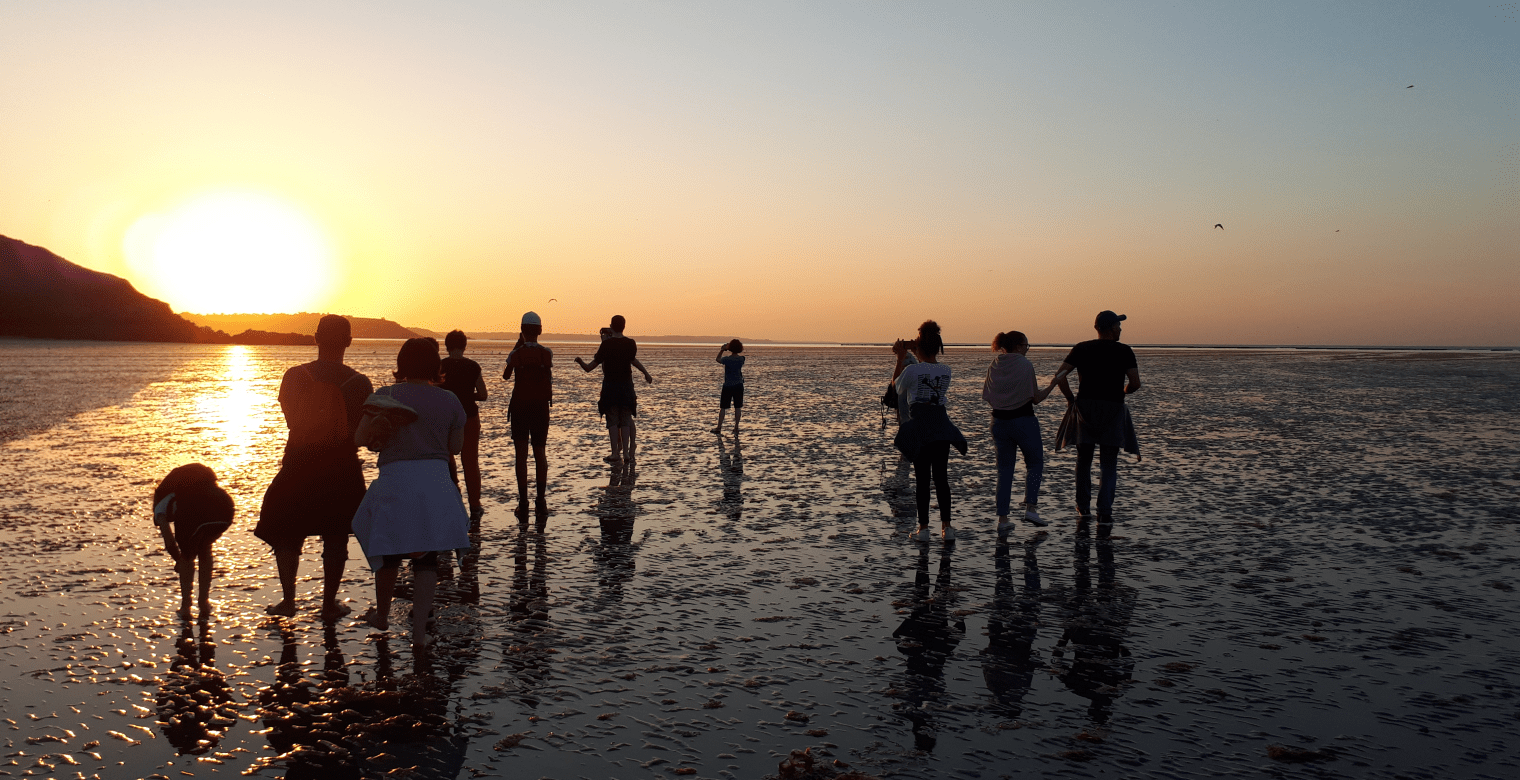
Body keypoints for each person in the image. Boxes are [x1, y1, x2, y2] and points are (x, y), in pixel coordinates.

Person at [351, 337, 472, 653]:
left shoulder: (384, 396)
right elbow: (455, 447)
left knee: (389, 550)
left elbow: (360, 437)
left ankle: (381, 614)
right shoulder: (450, 400)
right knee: (428, 558)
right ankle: (420, 634)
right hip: (435, 482)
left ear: (401, 364)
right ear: (436, 366)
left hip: (396, 480)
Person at [255, 314, 372, 621]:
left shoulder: (294, 376)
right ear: (348, 341)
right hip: (341, 465)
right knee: (336, 536)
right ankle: (328, 603)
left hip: (299, 462)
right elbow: (359, 431)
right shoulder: (360, 383)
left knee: (288, 533)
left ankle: (288, 601)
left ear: (316, 338)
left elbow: (291, 420)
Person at [1055, 310, 1142, 527]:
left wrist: (1070, 399)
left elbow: (1059, 377)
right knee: (1108, 463)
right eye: (1118, 325)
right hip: (1113, 407)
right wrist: (1124, 390)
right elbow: (1135, 383)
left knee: (1084, 460)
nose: (1120, 329)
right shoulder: (1124, 351)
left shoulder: (1082, 347)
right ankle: (1104, 511)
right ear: (1111, 328)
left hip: (1085, 407)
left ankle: (1083, 508)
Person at [892, 320, 967, 543]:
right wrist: (917, 350)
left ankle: (923, 528)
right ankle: (947, 527)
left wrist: (900, 359)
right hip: (941, 425)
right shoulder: (946, 370)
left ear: (919, 347)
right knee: (941, 479)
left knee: (923, 479)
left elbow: (896, 387)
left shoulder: (912, 369)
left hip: (921, 426)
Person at [982, 331, 1064, 534]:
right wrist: (1054, 383)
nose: (1028, 349)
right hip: (1024, 420)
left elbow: (987, 395)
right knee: (1035, 463)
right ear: (1019, 346)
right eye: (1027, 346)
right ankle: (1031, 508)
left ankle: (1003, 519)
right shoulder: (1024, 364)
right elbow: (1036, 398)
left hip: (998, 422)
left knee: (1004, 470)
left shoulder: (995, 364)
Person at [153, 463, 234, 620]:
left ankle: (186, 607)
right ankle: (204, 603)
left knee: (188, 557)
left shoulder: (161, 509)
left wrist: (180, 561)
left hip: (196, 510)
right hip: (225, 507)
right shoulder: (183, 490)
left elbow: (169, 544)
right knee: (205, 548)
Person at [575, 314, 653, 464]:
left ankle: (615, 453)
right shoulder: (630, 343)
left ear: (611, 326)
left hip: (610, 386)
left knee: (612, 420)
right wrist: (646, 373)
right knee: (625, 420)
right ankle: (626, 454)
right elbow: (633, 361)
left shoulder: (606, 345)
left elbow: (590, 367)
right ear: (624, 326)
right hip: (626, 387)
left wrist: (581, 362)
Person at [502, 311, 554, 518]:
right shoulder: (546, 353)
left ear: (522, 330)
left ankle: (523, 503)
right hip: (540, 407)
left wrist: (518, 345)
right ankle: (541, 501)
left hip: (520, 407)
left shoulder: (516, 354)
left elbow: (506, 376)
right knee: (540, 453)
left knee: (521, 455)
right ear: (540, 330)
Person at [440, 330, 488, 520]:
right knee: (470, 461)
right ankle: (475, 505)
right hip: (469, 416)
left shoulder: (440, 366)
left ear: (447, 346)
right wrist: (468, 395)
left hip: (445, 418)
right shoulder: (473, 366)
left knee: (446, 460)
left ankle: (452, 499)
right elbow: (483, 395)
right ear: (464, 346)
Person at [712, 339, 745, 435]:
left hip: (728, 385)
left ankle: (719, 427)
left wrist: (722, 349)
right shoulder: (741, 359)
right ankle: (736, 427)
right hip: (739, 385)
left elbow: (718, 359)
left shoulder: (727, 359)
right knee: (738, 407)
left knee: (723, 407)